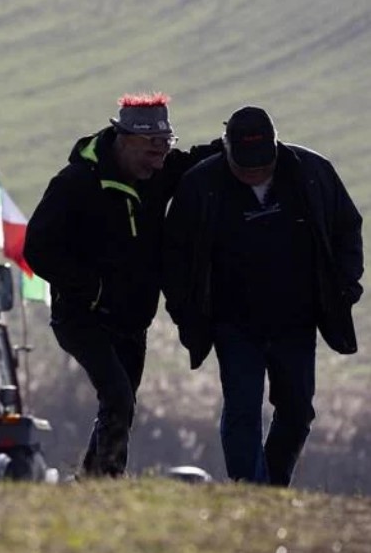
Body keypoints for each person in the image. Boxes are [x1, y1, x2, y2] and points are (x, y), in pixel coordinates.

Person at [162, 106, 363, 486]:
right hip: (232, 322)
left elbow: (347, 229)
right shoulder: (200, 184)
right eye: (245, 167)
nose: (254, 172)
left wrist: (346, 286)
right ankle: (249, 490)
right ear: (227, 149)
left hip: (296, 319)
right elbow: (175, 255)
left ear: (276, 146)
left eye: (262, 165)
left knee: (297, 410)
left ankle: (272, 486)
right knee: (242, 409)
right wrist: (182, 308)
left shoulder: (312, 173)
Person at [23, 92, 221, 477]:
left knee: (121, 405)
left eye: (164, 151)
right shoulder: (75, 183)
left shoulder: (158, 172)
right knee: (117, 396)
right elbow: (37, 248)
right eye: (150, 152)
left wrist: (242, 142)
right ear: (124, 139)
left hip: (134, 320)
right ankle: (109, 481)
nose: (158, 162)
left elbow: (199, 161)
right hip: (82, 318)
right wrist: (91, 290)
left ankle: (92, 483)